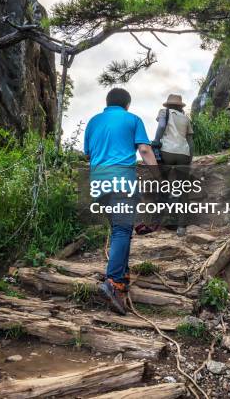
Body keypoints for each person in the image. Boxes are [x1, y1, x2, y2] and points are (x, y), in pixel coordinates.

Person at [84, 87, 157, 315]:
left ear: (107, 103)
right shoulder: (132, 119)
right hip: (122, 182)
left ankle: (122, 275)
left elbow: (88, 153)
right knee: (122, 230)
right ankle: (113, 282)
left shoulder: (93, 121)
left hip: (98, 183)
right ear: (127, 104)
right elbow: (144, 149)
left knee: (119, 228)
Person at [152, 93, 193, 236]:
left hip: (166, 151)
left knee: (163, 185)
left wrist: (156, 141)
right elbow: (190, 141)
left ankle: (158, 221)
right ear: (180, 106)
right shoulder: (186, 118)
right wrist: (189, 159)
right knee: (183, 191)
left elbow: (162, 125)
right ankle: (181, 227)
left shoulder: (164, 112)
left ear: (168, 105)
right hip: (184, 154)